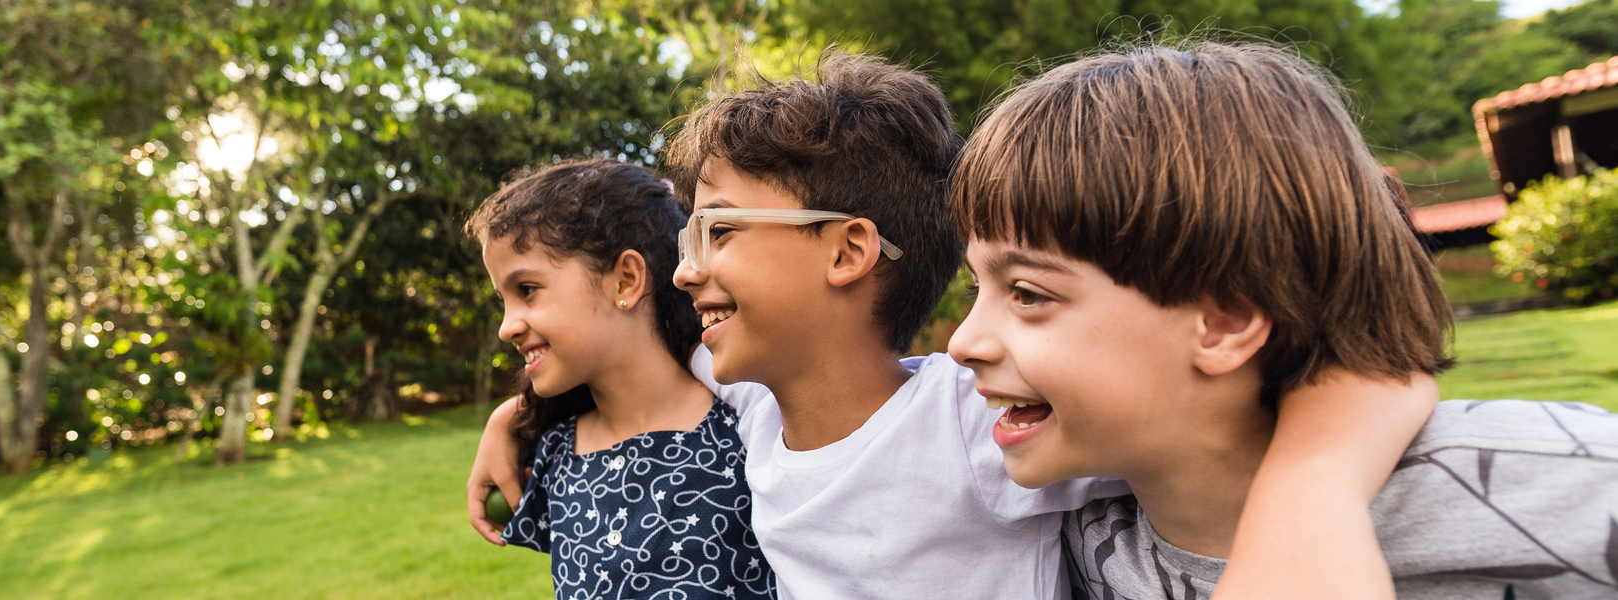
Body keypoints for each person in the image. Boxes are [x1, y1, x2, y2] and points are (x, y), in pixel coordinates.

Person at [475, 49, 1440, 600]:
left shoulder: (974, 423)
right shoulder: (750, 400)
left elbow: (1235, 393)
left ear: (849, 253)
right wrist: (515, 419)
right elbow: (628, 362)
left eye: (719, 228)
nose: (688, 267)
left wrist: (1339, 422)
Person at [946, 40, 1618, 599]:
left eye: (1029, 293)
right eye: (977, 284)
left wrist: (1315, 481)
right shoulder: (1066, 530)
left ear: (1227, 322)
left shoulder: (1566, 483)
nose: (963, 342)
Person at [464, 159, 774, 600]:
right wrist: (509, 421)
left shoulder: (750, 434)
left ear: (626, 280)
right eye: (504, 300)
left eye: (527, 290)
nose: (507, 327)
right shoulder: (554, 452)